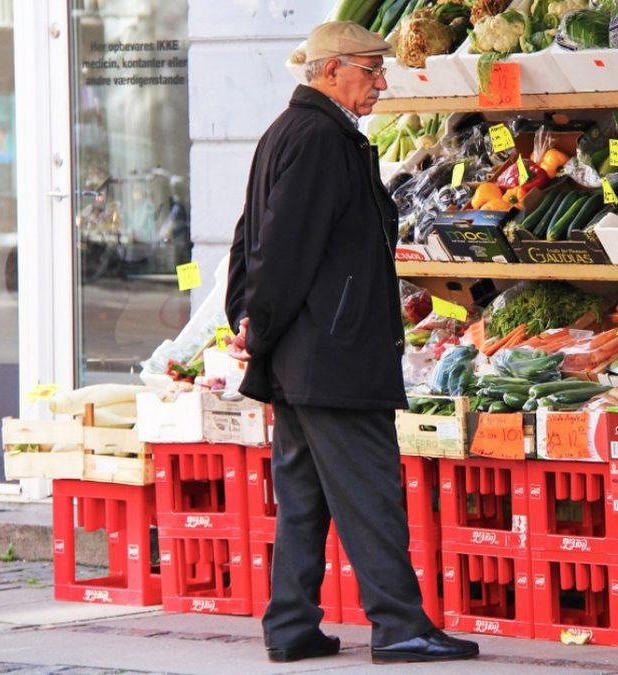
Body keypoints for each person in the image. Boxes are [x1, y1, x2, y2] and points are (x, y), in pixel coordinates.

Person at [224, 21, 479, 666]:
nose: (381, 81)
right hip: (331, 353)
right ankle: (399, 626)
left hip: (306, 354)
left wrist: (251, 324)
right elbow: (278, 249)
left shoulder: (293, 132)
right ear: (331, 70)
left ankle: (291, 626)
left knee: (304, 498)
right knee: (370, 494)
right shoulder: (318, 138)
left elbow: (247, 234)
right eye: (371, 69)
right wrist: (258, 324)